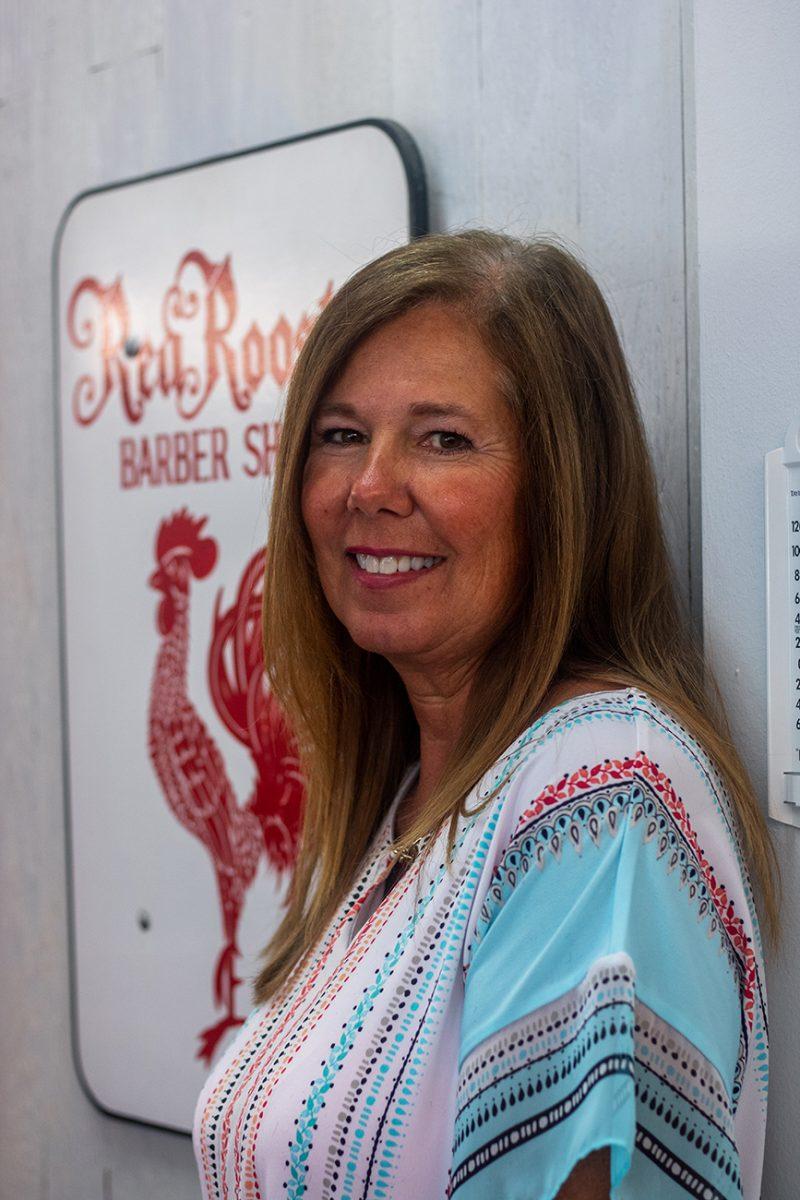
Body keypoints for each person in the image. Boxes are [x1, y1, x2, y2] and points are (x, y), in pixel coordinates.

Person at [193, 231, 777, 1199]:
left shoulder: (597, 789)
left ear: (560, 490)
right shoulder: (413, 798)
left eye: (442, 439)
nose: (368, 489)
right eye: (339, 435)